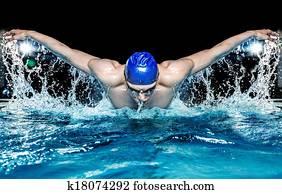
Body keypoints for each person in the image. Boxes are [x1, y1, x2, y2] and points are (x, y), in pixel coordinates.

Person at [4, 29, 278, 109]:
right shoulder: (107, 73)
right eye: (136, 91)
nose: (142, 98)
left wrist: (249, 34)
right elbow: (67, 52)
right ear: (124, 77)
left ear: (159, 76)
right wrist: (32, 34)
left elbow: (215, 51)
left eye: (148, 91)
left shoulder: (174, 73)